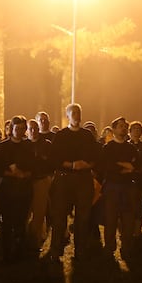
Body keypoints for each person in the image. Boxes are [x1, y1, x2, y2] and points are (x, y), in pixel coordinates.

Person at [48, 103, 98, 262]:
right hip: (64, 179)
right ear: (67, 116)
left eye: (78, 113)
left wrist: (87, 165)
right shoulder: (61, 135)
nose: (76, 115)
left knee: (83, 217)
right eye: (73, 113)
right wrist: (71, 165)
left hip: (83, 179)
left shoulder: (87, 136)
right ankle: (55, 250)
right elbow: (54, 158)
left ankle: (80, 250)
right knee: (59, 217)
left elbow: (95, 156)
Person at [0, 115, 35, 262]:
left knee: (21, 221)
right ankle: (6, 251)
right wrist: (12, 173)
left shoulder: (28, 145)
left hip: (24, 188)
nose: (19, 131)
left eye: (22, 128)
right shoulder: (4, 146)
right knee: (7, 221)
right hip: (8, 188)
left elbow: (33, 165)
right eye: (17, 128)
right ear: (12, 129)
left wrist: (25, 174)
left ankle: (19, 250)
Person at [98, 117, 139, 258]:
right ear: (114, 129)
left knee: (128, 219)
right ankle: (109, 247)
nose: (124, 128)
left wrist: (123, 166)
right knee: (111, 219)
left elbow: (137, 165)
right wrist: (125, 166)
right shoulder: (108, 148)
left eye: (125, 126)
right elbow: (107, 166)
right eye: (120, 126)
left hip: (128, 187)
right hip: (112, 187)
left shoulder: (131, 148)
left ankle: (126, 248)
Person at [26, 118, 54, 251]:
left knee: (39, 213)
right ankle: (24, 239)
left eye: (36, 129)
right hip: (25, 182)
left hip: (41, 180)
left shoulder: (46, 144)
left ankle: (35, 241)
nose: (33, 131)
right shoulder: (24, 145)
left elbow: (50, 162)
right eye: (30, 129)